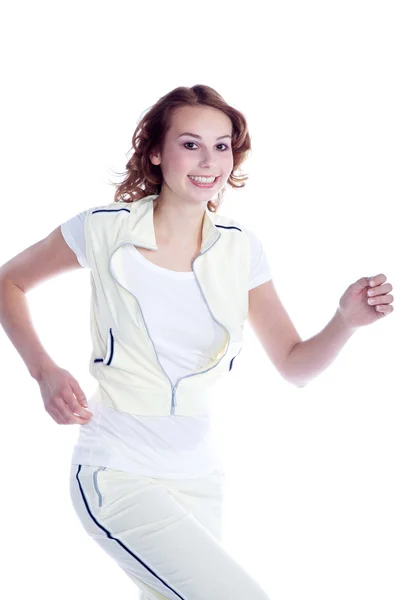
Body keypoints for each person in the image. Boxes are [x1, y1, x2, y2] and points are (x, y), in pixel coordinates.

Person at [0, 84, 394, 600]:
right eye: (191, 144)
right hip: (117, 471)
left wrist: (344, 320)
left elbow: (295, 366)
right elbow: (9, 282)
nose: (209, 160)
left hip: (199, 476)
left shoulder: (239, 249)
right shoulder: (102, 230)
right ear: (157, 154)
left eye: (222, 145)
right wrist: (43, 370)